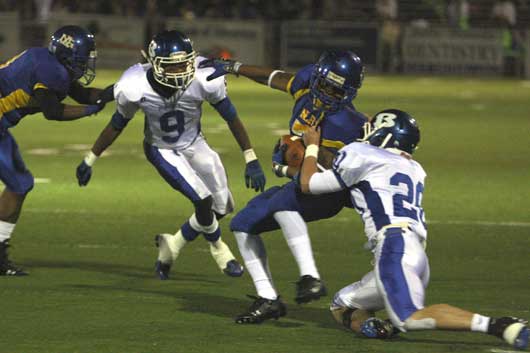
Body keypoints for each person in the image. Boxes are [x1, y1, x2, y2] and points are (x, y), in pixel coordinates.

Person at [298, 109, 529, 350]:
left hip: (394, 247)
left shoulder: (362, 153)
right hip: (414, 253)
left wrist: (311, 147)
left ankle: (499, 326)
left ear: (385, 133)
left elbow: (308, 184)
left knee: (408, 316)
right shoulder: (413, 168)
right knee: (342, 304)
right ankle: (383, 328)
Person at [75, 30, 266, 279]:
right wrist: (91, 157)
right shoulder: (134, 84)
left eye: (183, 64)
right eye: (172, 67)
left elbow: (231, 117)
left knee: (223, 206)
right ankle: (220, 249)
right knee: (203, 200)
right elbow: (116, 125)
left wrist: (250, 157)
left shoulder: (204, 76)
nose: (180, 71)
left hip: (195, 144)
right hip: (162, 149)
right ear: (154, 64)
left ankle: (172, 245)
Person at [199, 50, 367, 323]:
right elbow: (275, 77)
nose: (327, 93)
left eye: (337, 91)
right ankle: (268, 299)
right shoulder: (304, 85)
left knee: (283, 202)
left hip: (330, 189)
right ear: (315, 78)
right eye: (324, 84)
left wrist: (291, 162)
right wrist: (235, 66)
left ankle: (310, 276)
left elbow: (331, 173)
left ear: (349, 93)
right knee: (243, 224)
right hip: (305, 180)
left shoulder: (348, 124)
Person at [0, 25, 113, 276]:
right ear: (67, 55)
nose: (86, 65)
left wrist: (118, 92)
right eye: (82, 59)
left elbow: (83, 94)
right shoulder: (51, 70)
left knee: (20, 183)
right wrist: (89, 112)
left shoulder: (48, 62)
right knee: (19, 183)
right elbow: (52, 112)